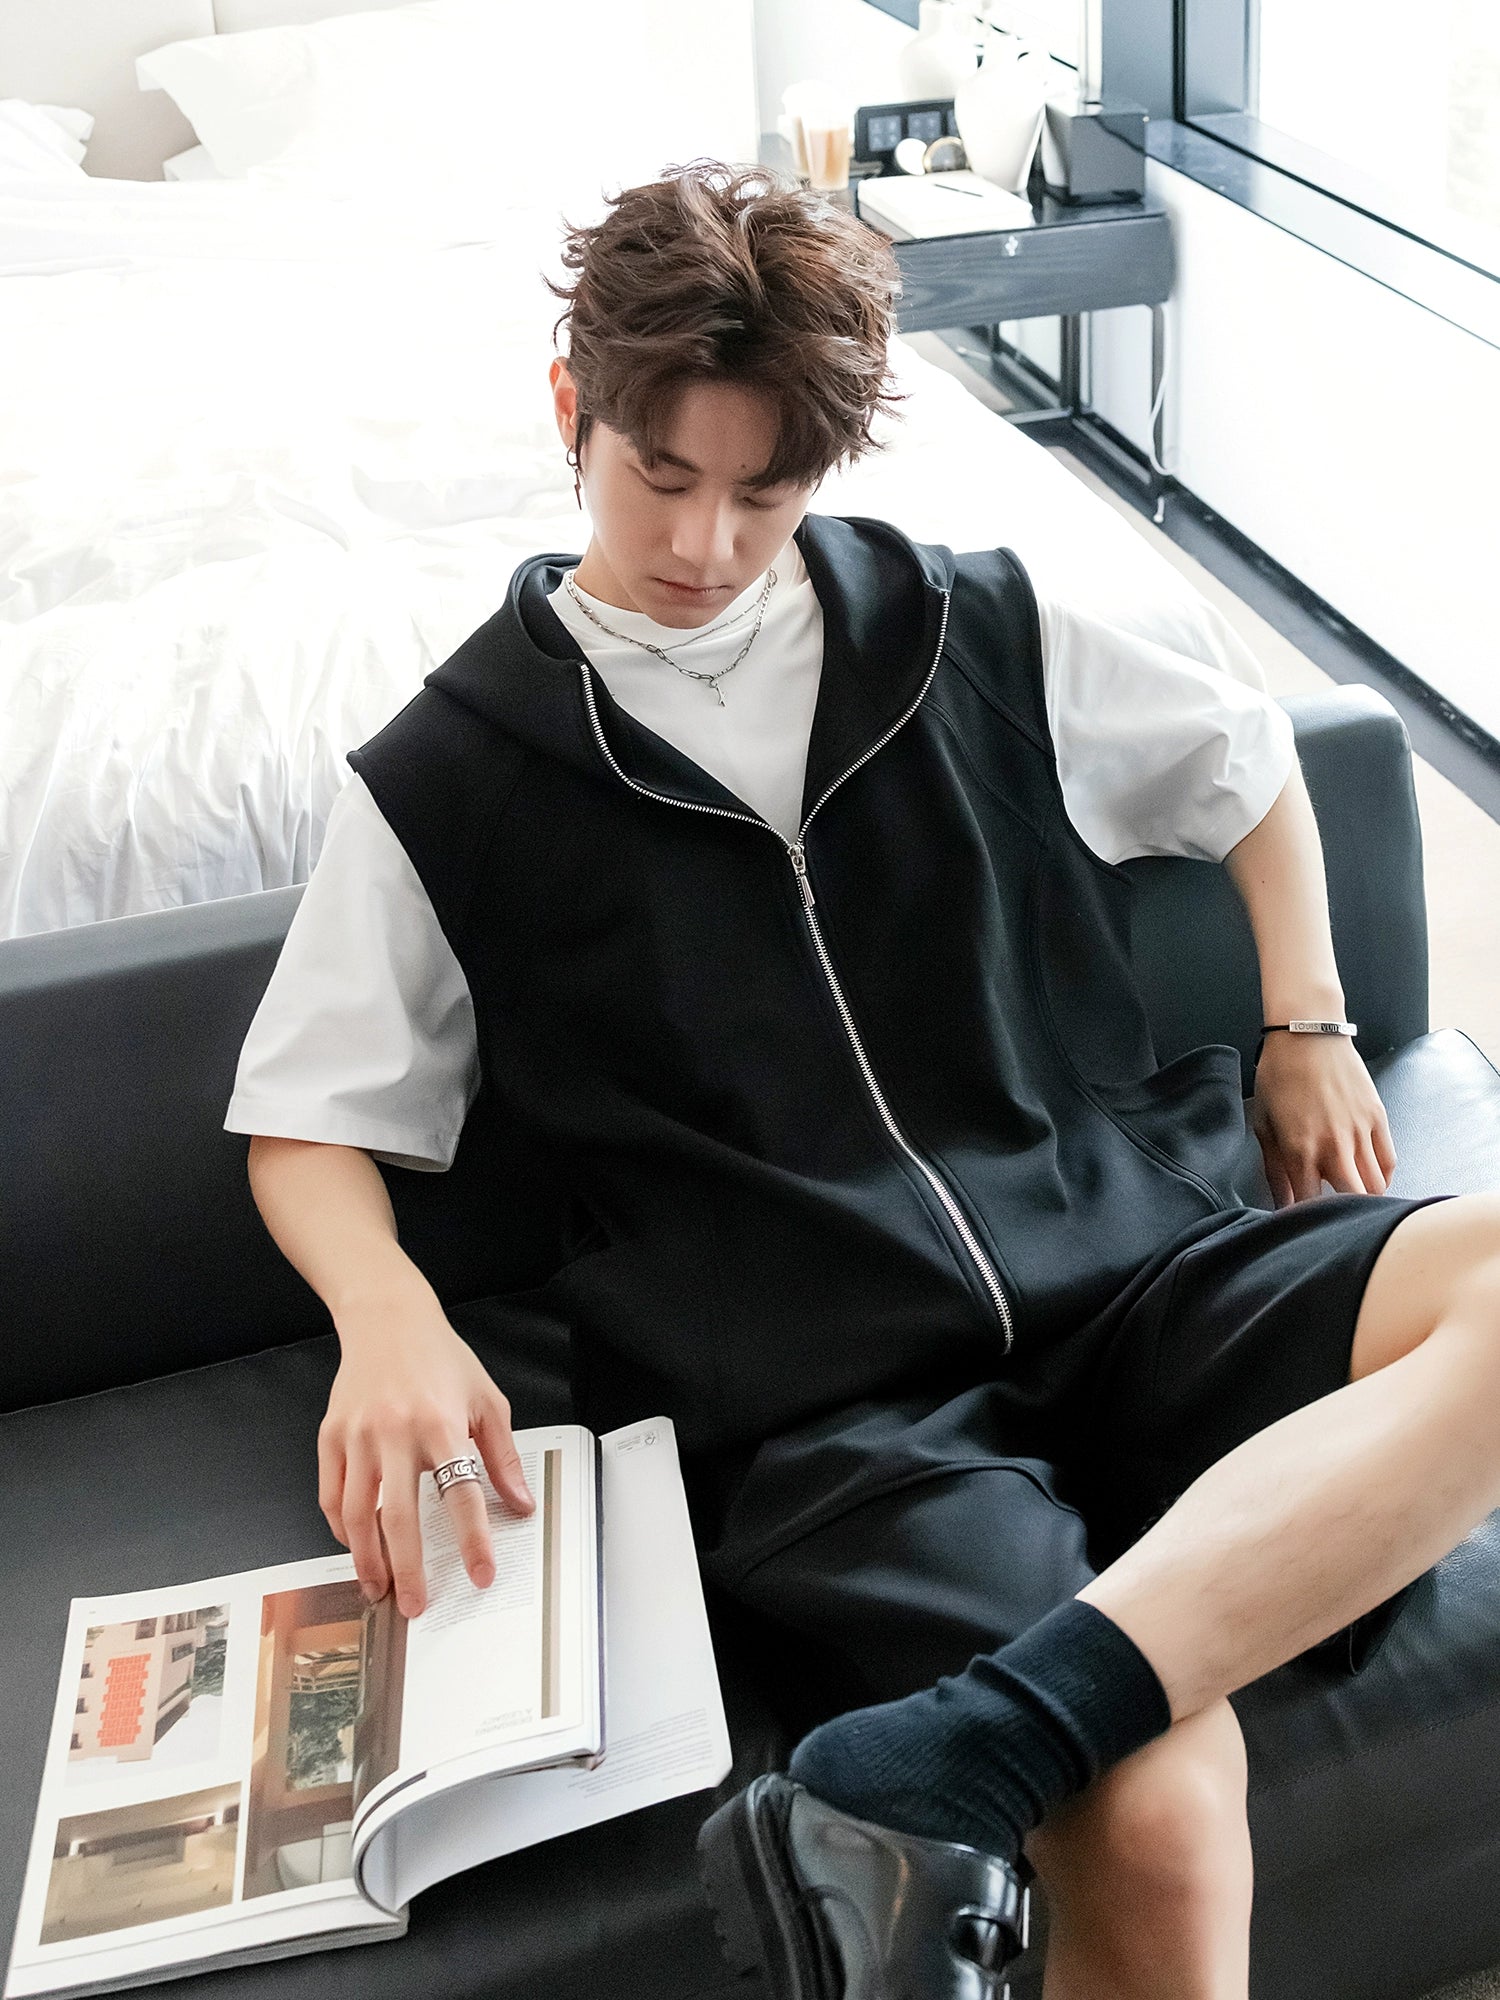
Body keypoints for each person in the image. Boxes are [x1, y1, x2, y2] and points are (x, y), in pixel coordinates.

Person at [226, 160, 1500, 1999]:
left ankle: (952, 1759)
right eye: (663, 474)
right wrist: (388, 1314)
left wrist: (1306, 1023)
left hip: (1142, 1271)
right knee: (1155, 1806)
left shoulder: (965, 626)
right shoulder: (452, 776)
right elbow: (308, 1119)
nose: (707, 542)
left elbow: (1249, 762)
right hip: (839, 1415)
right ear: (574, 407)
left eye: (765, 492)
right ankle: (1020, 1734)